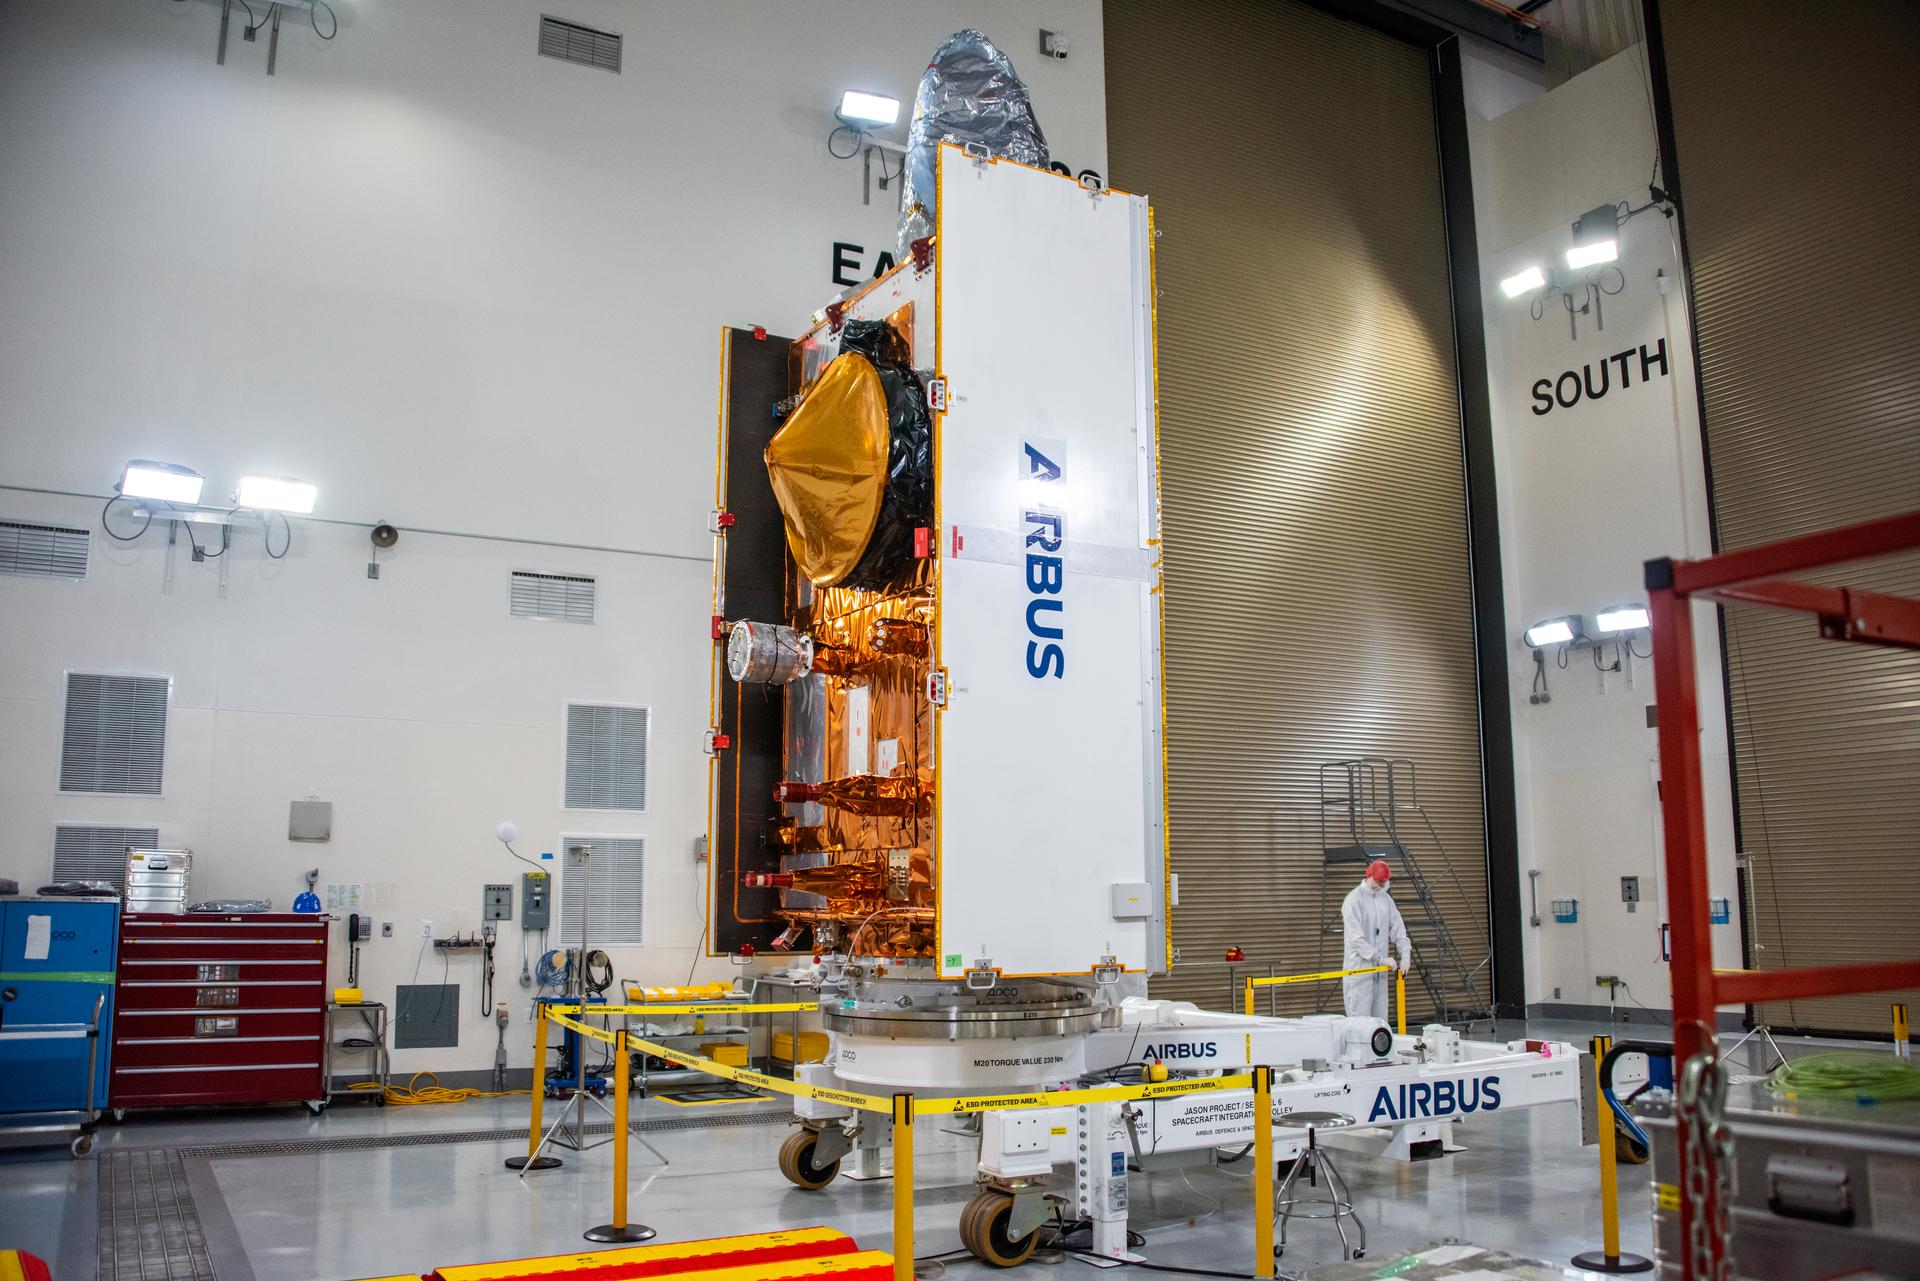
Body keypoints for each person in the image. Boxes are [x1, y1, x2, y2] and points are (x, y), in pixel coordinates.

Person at [1341, 859, 1411, 1019]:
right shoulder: (1354, 900)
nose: (1381, 885)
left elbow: (1398, 928)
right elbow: (1356, 939)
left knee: (1380, 1023)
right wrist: (1378, 958)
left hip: (1380, 974)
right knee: (1360, 1023)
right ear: (1369, 876)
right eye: (1379, 882)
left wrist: (1406, 953)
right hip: (1360, 971)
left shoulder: (1385, 900)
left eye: (1384, 882)